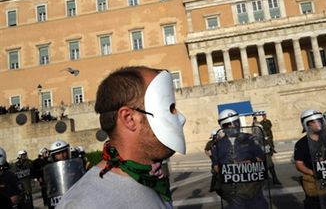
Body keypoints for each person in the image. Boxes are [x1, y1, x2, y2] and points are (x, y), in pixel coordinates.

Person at [56, 66, 187, 209]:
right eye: (170, 108)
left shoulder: (151, 179)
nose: (181, 117)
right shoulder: (83, 204)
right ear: (129, 118)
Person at [211, 109, 268, 209]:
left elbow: (261, 159)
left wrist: (247, 164)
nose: (233, 126)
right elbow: (216, 166)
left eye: (235, 122)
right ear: (223, 126)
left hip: (252, 188)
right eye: (229, 124)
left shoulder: (249, 139)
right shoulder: (218, 145)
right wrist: (230, 169)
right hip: (233, 191)